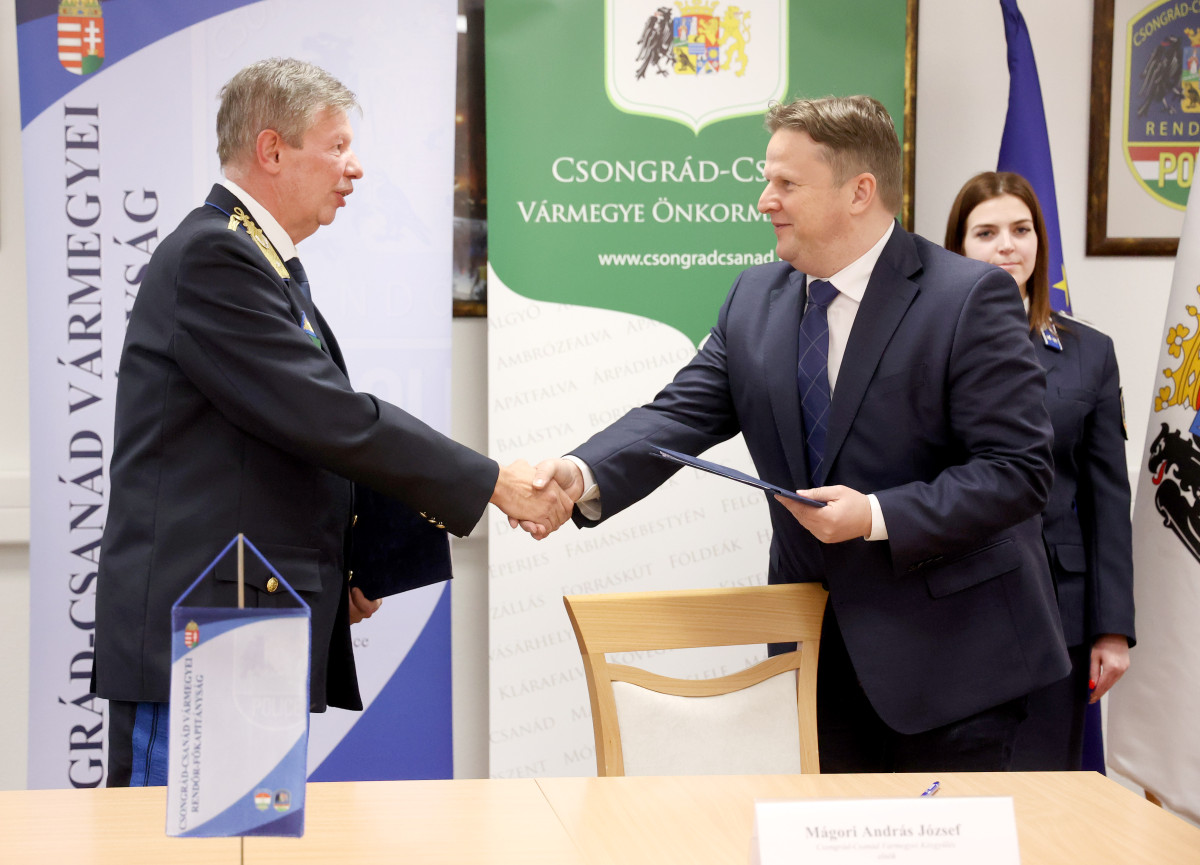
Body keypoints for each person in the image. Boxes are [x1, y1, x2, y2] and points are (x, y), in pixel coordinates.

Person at [529, 95, 1070, 773]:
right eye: (768, 180)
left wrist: (874, 515)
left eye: (786, 183)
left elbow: (1017, 471)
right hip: (811, 658)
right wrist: (579, 472)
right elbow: (678, 415)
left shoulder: (968, 297)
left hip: (954, 666)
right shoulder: (753, 298)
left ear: (859, 192)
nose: (765, 201)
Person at [94, 58, 571, 787]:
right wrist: (492, 482)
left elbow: (287, 438)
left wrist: (345, 564)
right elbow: (330, 418)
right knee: (183, 842)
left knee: (248, 839)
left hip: (248, 630)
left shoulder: (260, 260)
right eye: (337, 146)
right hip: (202, 644)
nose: (355, 168)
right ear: (272, 149)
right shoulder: (215, 256)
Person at [945, 171, 1135, 771]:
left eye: (1021, 229)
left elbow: (1107, 499)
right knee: (955, 789)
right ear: (958, 247)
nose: (1007, 245)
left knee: (1047, 786)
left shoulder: (1089, 352)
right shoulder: (924, 344)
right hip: (952, 607)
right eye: (986, 232)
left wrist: (1112, 629)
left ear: (1039, 242)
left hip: (1058, 610)